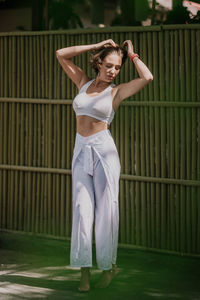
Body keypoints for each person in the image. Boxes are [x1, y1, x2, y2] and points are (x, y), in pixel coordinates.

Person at [56, 39, 153, 292]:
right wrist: (96, 45)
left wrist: (131, 56)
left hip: (104, 152)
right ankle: (84, 273)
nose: (113, 71)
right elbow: (61, 54)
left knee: (105, 214)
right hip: (80, 150)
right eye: (109, 65)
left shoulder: (116, 91)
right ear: (98, 63)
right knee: (82, 211)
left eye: (117, 67)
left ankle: (109, 266)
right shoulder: (82, 83)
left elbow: (147, 77)